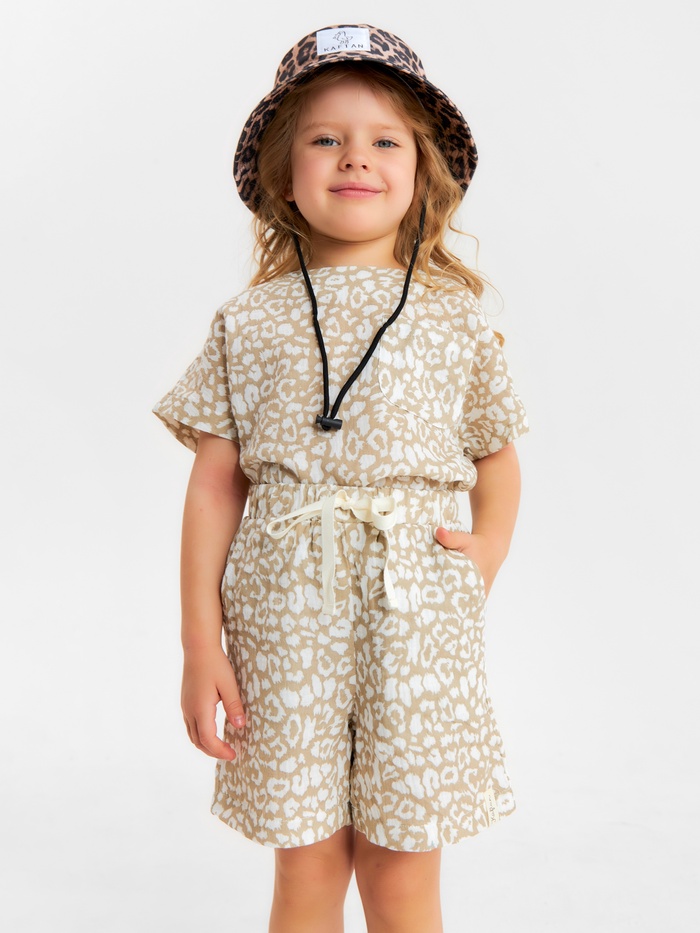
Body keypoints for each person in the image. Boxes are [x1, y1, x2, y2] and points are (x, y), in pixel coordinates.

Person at [153, 23, 528, 933]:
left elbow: (497, 454)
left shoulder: (456, 321)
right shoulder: (249, 322)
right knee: (308, 860)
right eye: (326, 138)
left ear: (422, 175)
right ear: (285, 176)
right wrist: (201, 640)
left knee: (402, 869)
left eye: (384, 140)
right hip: (284, 616)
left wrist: (484, 551)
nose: (356, 156)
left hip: (418, 615)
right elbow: (215, 484)